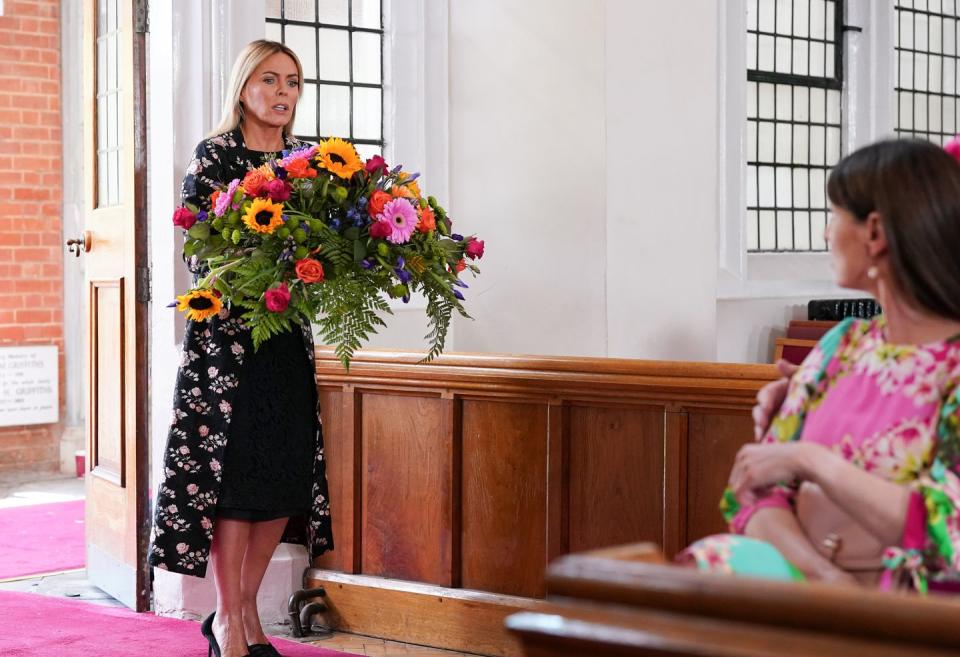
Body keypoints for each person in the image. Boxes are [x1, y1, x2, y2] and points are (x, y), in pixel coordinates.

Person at [683, 138, 960, 593]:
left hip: (919, 609)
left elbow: (948, 531)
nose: (825, 234)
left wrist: (811, 459)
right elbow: (751, 489)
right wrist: (822, 577)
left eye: (833, 216)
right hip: (807, 585)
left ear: (876, 233)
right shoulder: (841, 345)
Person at [148, 40, 334, 657]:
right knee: (234, 482)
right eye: (270, 80)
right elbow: (200, 248)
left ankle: (247, 610)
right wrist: (256, 263)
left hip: (285, 342)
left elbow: (326, 254)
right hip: (226, 348)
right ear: (243, 87)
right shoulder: (215, 154)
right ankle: (228, 619)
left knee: (280, 476)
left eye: (293, 83)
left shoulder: (310, 164)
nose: (283, 93)